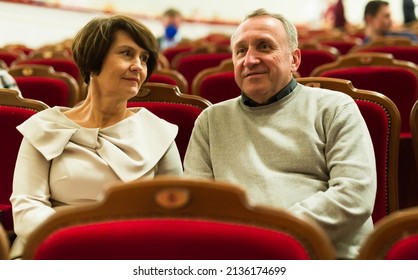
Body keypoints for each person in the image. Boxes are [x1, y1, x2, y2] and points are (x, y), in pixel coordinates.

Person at [183, 8, 376, 259]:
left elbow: (353, 196)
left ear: (294, 60)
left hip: (325, 255)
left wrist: (274, 235)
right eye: (241, 51)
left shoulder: (335, 107)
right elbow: (198, 203)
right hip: (240, 258)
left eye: (264, 46)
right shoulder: (210, 121)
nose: (249, 60)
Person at [9, 14, 183, 259]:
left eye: (144, 58)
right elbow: (27, 208)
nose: (138, 66)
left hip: (133, 251)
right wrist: (77, 242)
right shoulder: (45, 127)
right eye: (126, 53)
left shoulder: (159, 132)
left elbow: (174, 211)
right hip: (53, 248)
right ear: (93, 60)